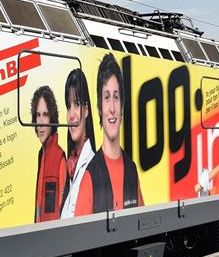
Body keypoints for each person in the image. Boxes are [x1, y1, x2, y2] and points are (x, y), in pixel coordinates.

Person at [72, 54, 142, 215]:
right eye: (106, 97)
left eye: (116, 97)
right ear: (99, 108)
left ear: (122, 106)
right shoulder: (90, 176)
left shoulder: (132, 171)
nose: (111, 108)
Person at [59, 67, 96, 218]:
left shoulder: (94, 165)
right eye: (68, 106)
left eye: (77, 104)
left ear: (86, 110)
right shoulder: (68, 166)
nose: (71, 115)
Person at [31, 85, 67, 222]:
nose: (40, 123)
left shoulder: (59, 158)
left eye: (45, 115)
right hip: (40, 235)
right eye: (38, 115)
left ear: (52, 118)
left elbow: (61, 212)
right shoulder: (42, 154)